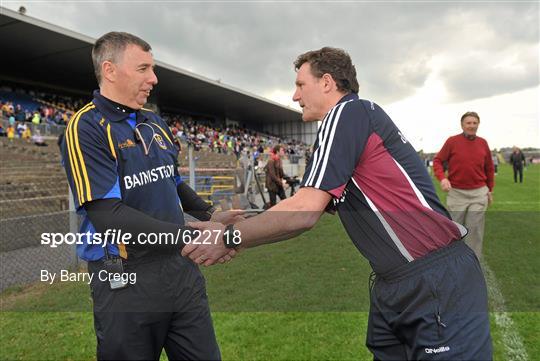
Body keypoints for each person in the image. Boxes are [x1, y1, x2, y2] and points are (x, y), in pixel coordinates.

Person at [182, 47, 492, 361]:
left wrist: (228, 237)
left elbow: (304, 212)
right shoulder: (351, 120)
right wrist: (236, 229)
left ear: (327, 82)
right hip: (398, 284)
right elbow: (301, 204)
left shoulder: (348, 113)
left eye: (301, 85)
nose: (294, 96)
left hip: (433, 281)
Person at [60, 31, 241, 360]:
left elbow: (171, 182)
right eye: (143, 69)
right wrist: (191, 236)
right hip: (124, 276)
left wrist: (210, 215)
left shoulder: (155, 123)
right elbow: (107, 216)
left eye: (152, 69)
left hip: (179, 270)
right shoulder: (85, 128)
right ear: (110, 70)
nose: (154, 78)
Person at [433, 112, 494, 259]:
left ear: (478, 124)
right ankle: (453, 260)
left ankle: (473, 262)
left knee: (474, 229)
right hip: (457, 194)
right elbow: (437, 161)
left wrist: (489, 190)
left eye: (475, 123)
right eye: (469, 123)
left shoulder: (483, 143)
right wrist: (442, 178)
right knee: (455, 229)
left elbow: (489, 168)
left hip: (479, 193)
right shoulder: (452, 141)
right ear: (462, 125)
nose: (472, 126)